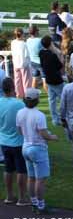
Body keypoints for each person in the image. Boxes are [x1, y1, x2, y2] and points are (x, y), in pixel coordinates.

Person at [15, 88, 58, 214]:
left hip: (25, 147)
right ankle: (41, 206)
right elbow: (43, 133)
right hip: (38, 149)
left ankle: (34, 203)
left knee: (31, 177)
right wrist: (53, 137)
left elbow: (19, 130)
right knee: (40, 179)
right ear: (36, 100)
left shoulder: (20, 113)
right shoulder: (39, 115)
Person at [0, 78, 29, 207]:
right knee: (21, 170)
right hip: (18, 142)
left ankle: (9, 195)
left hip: (4, 142)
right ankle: (22, 198)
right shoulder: (19, 104)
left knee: (8, 169)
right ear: (13, 87)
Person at [38, 36, 65, 126]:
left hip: (48, 79)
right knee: (62, 99)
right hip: (56, 80)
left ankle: (55, 120)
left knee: (52, 100)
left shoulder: (41, 53)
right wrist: (59, 54)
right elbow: (60, 66)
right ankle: (62, 118)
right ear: (50, 44)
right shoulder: (52, 55)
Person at [10, 27, 31, 99]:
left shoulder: (13, 42)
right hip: (23, 64)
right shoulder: (24, 44)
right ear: (22, 34)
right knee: (26, 82)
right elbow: (27, 55)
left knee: (17, 81)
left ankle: (19, 95)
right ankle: (27, 96)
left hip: (16, 64)